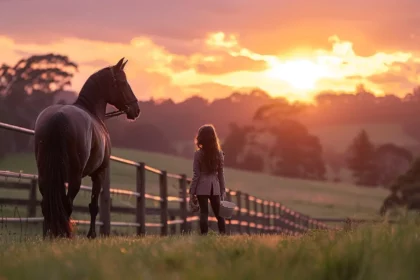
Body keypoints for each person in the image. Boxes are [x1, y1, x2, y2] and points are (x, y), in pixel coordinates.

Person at [189, 124, 226, 235]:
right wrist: (222, 189)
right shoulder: (219, 154)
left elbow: (196, 175)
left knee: (204, 213)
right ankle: (223, 235)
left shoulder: (198, 154)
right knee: (219, 214)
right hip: (215, 187)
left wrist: (192, 191)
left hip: (202, 186)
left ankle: (204, 236)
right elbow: (220, 174)